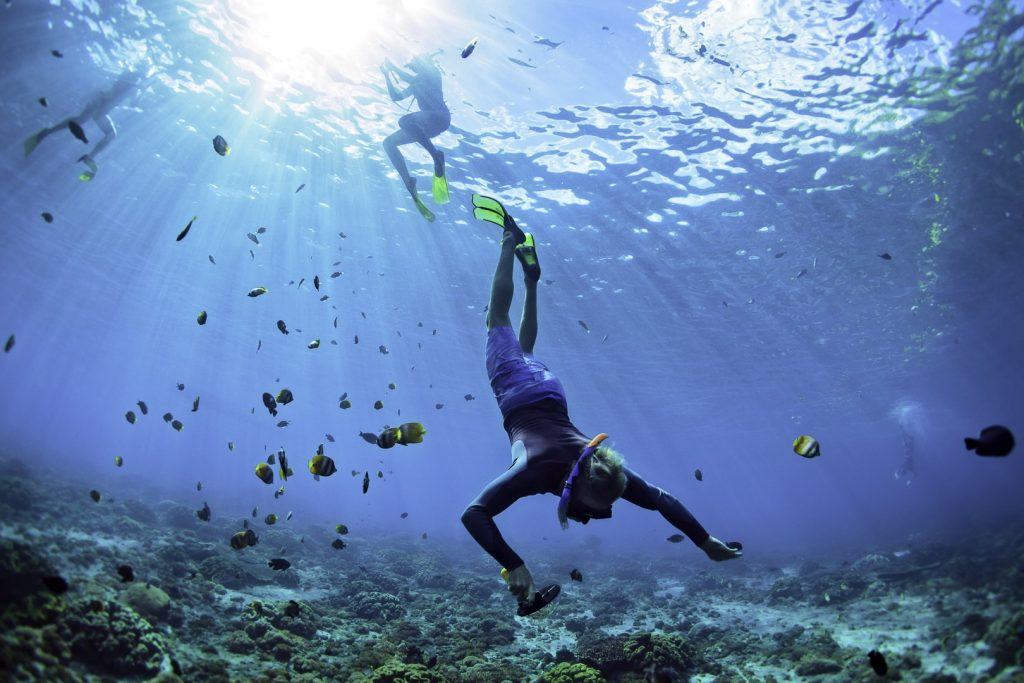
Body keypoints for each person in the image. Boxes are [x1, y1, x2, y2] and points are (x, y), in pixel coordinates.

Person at [461, 194, 742, 613]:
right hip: (521, 394)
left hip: (551, 391)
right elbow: (473, 515)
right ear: (577, 487)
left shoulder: (607, 474)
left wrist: (707, 542)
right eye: (593, 510)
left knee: (526, 348)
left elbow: (662, 500)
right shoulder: (537, 470)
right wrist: (514, 565)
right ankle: (507, 239)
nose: (592, 518)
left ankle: (533, 281)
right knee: (496, 321)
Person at [24, 67, 148, 181]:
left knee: (98, 128)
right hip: (100, 103)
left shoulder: (134, 86)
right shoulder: (131, 83)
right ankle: (50, 132)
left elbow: (133, 103)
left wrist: (141, 90)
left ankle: (88, 156)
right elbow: (128, 98)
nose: (140, 78)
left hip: (101, 108)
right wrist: (140, 89)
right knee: (84, 121)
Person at [380, 54, 450, 222]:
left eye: (415, 65)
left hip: (439, 117)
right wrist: (387, 75)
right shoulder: (416, 82)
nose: (414, 68)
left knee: (405, 121)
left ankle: (435, 155)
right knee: (388, 143)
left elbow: (408, 77)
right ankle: (408, 180)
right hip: (425, 125)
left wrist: (392, 66)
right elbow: (396, 96)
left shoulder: (433, 73)